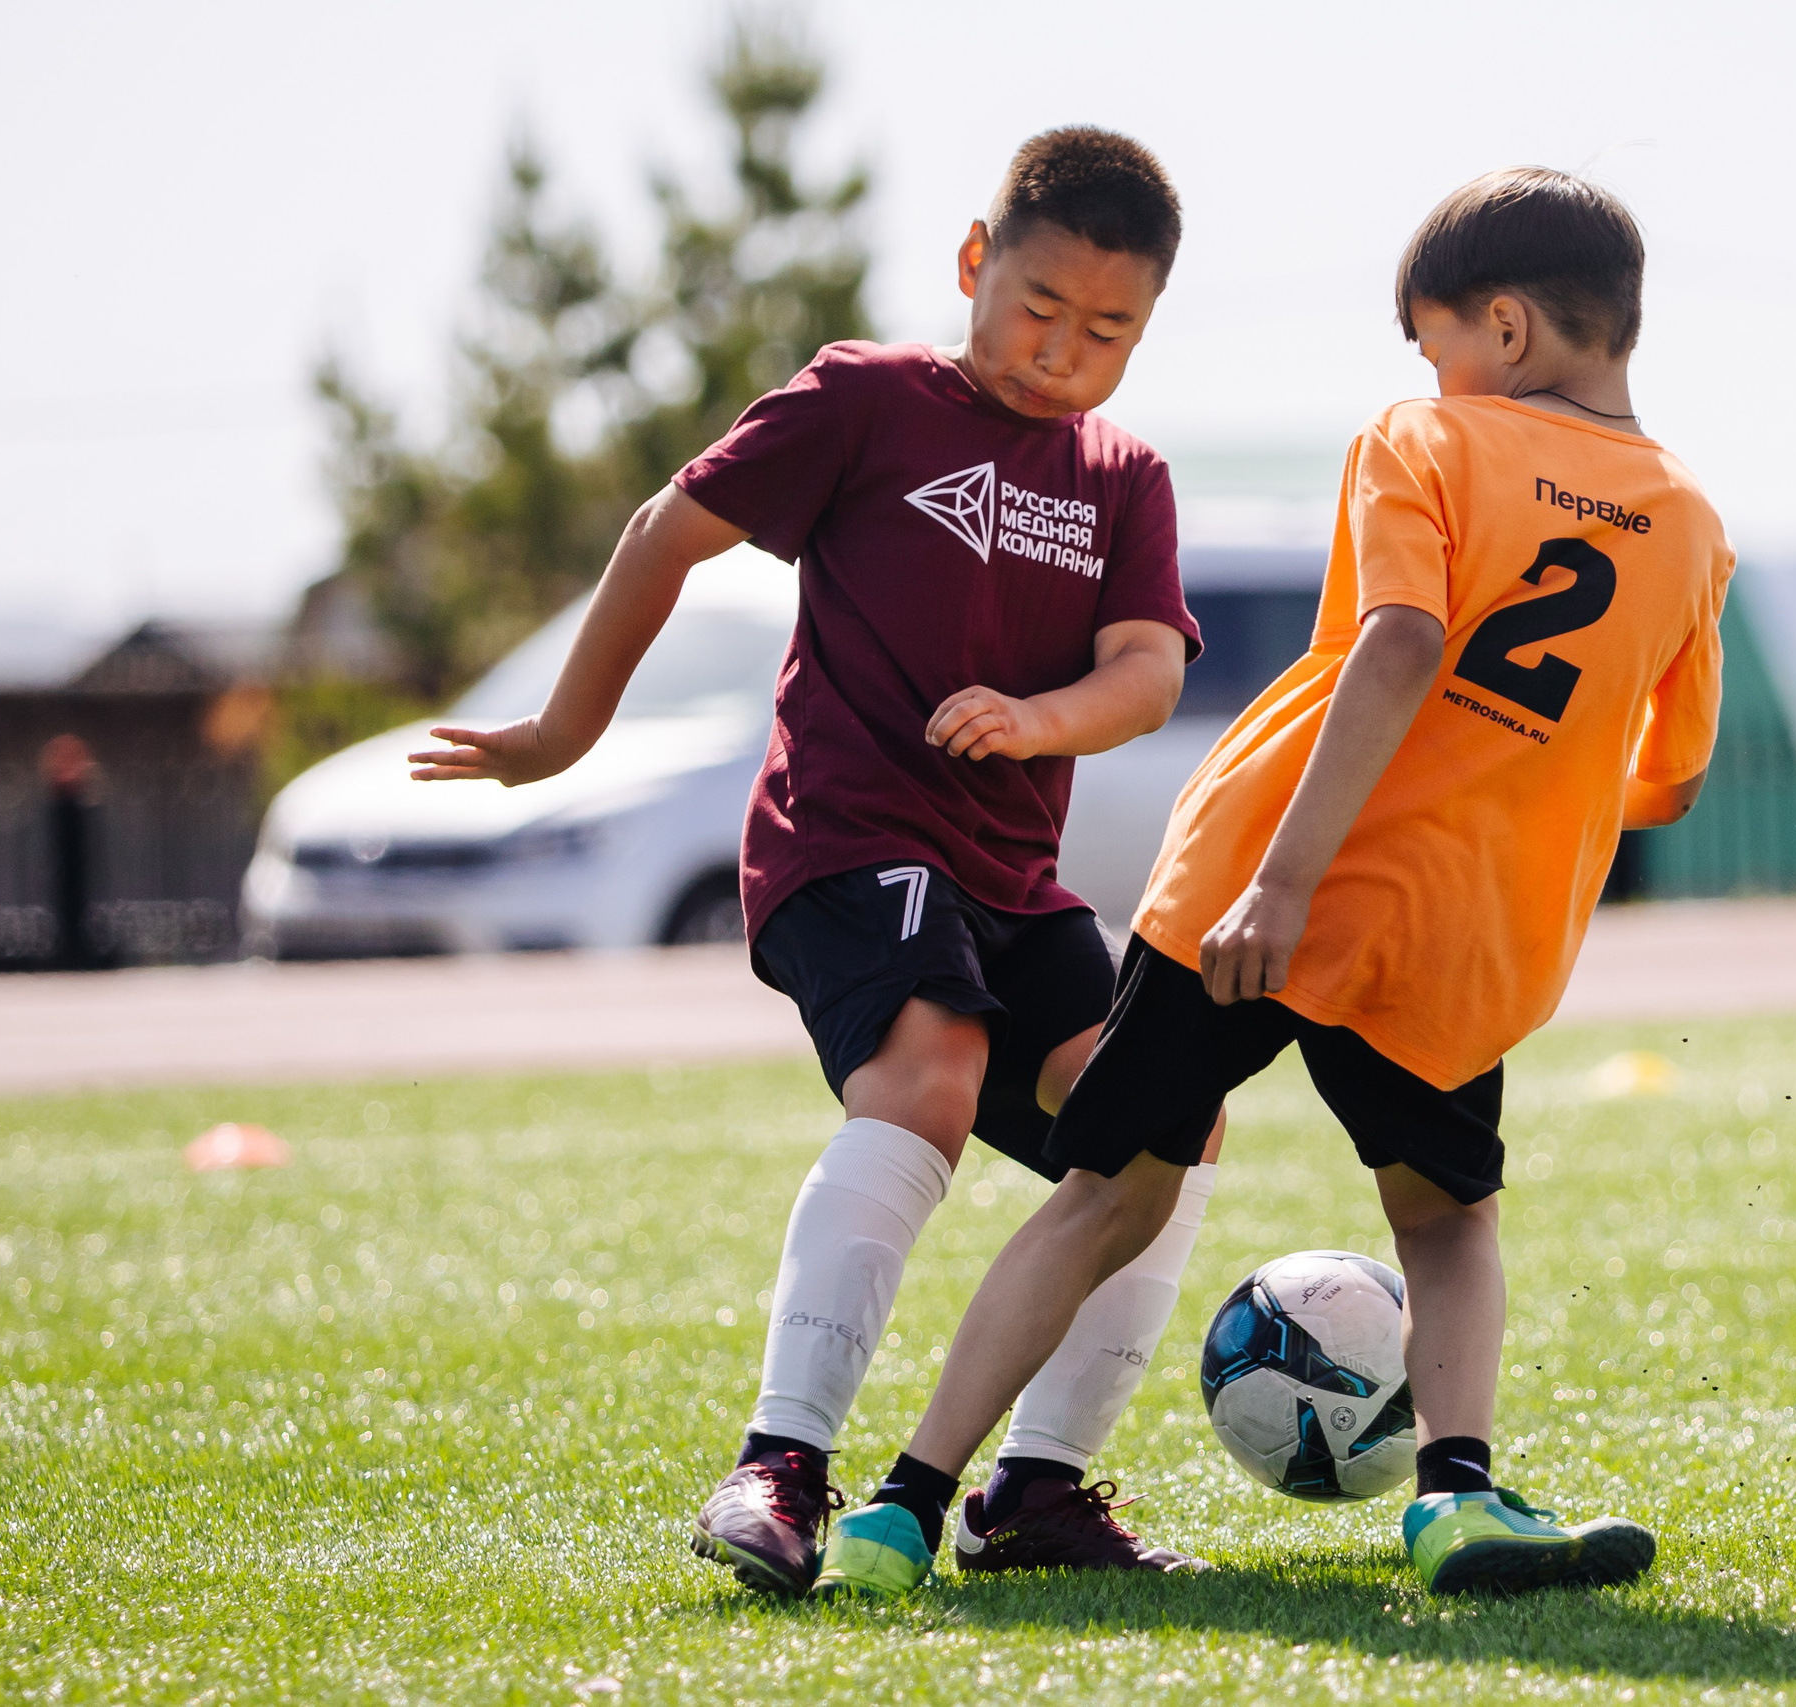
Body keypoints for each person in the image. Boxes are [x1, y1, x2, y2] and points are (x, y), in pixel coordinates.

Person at [810, 166, 1729, 1600]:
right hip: (1451, 933)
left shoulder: (1426, 436)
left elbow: (1402, 639)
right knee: (1444, 1217)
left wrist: (1287, 884)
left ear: (1497, 327)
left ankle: (903, 1508)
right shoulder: (1687, 520)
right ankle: (1459, 1495)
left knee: (1102, 1191)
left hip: (1260, 877)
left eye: (1432, 344)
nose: (1427, 374)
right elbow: (1664, 775)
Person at [408, 127, 1229, 1594]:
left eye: (1108, 330)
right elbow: (669, 532)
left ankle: (1032, 1492)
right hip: (847, 838)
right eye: (1038, 305)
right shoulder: (867, 399)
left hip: (1015, 882)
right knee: (934, 1066)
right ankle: (778, 1464)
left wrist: (1042, 715)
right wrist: (560, 731)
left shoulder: (1125, 475)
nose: (1062, 352)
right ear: (975, 260)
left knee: (1175, 1118)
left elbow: (1150, 671)